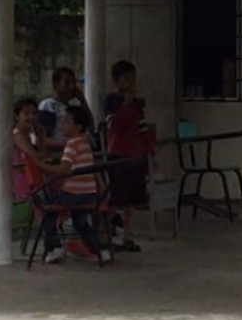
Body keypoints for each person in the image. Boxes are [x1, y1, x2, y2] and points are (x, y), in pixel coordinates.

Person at [33, 106, 111, 264]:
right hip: (89, 194)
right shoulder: (84, 143)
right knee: (80, 223)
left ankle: (54, 247)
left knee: (47, 210)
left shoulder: (72, 144)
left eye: (67, 121)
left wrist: (40, 165)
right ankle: (100, 250)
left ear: (78, 126)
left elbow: (64, 169)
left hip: (74, 195)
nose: (62, 124)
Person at [102, 60, 156, 252]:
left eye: (133, 79)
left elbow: (142, 129)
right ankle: (105, 234)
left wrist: (150, 152)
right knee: (116, 197)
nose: (131, 83)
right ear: (117, 80)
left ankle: (127, 235)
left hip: (136, 154)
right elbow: (114, 126)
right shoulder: (111, 101)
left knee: (132, 200)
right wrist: (125, 105)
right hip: (118, 154)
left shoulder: (138, 104)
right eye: (126, 79)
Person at [38, 67, 93, 151]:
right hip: (58, 153)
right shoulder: (51, 105)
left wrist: (82, 100)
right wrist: (69, 144)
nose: (72, 87)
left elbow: (89, 124)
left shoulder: (72, 107)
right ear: (56, 85)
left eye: (74, 83)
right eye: (67, 83)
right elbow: (43, 138)